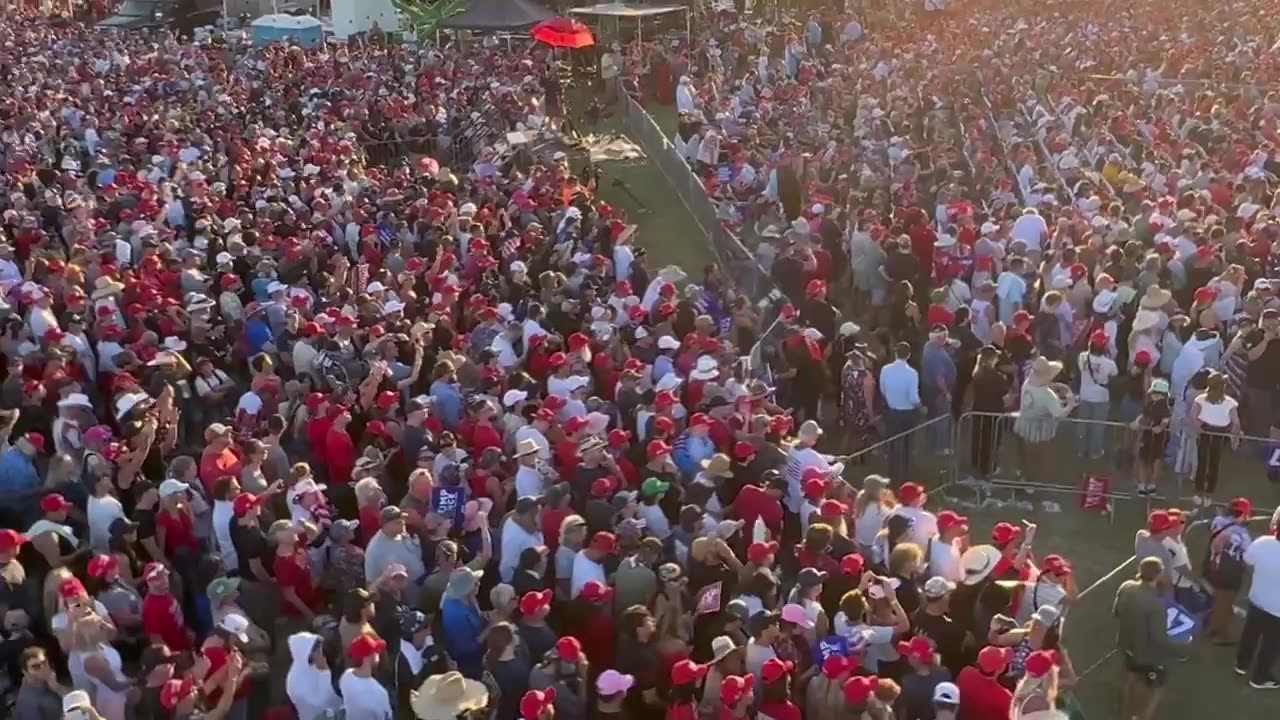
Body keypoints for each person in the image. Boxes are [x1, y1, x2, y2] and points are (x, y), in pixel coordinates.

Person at [1114, 557, 1188, 719]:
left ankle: (1124, 715)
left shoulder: (1126, 587)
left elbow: (1117, 612)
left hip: (1128, 645)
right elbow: (1159, 639)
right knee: (1156, 688)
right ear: (1158, 575)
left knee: (1129, 679)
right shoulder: (1156, 604)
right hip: (1148, 655)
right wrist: (1181, 647)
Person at [1235, 508, 1280, 689]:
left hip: (1256, 600)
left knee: (1250, 634)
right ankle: (1259, 678)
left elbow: (1246, 563)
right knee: (1271, 644)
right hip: (1277, 611)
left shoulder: (1262, 542)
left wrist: (1261, 575)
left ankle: (1241, 664)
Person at [286, 632, 342, 720]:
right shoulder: (296, 679)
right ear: (307, 652)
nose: (321, 652)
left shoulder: (313, 665)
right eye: (317, 650)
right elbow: (320, 702)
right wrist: (325, 671)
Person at [341, 634, 393, 720]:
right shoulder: (380, 693)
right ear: (367, 658)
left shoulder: (346, 676)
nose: (378, 653)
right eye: (375, 651)